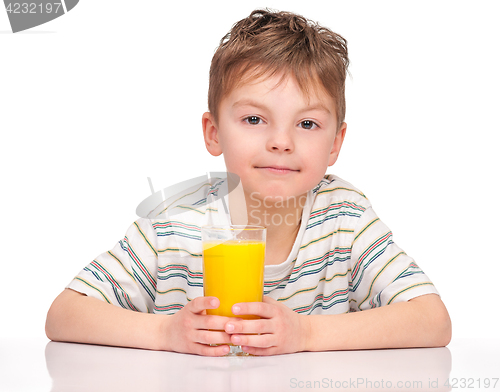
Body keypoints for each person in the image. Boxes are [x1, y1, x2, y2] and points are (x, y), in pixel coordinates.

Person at [45, 9, 451, 356]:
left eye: (307, 123)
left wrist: (307, 334)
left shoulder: (344, 217)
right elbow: (64, 314)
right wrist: (165, 333)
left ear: (335, 144)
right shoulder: (174, 224)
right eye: (254, 119)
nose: (280, 142)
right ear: (213, 132)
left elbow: (431, 321)